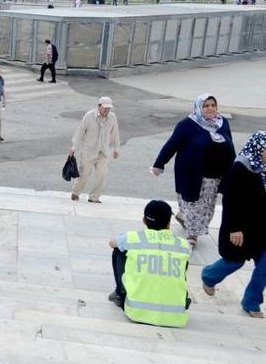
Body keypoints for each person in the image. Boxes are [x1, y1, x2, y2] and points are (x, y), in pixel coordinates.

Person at [151, 94, 235, 247]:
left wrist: (233, 171)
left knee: (207, 208)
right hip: (191, 174)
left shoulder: (223, 124)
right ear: (199, 107)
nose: (210, 108)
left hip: (214, 176)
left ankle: (185, 220)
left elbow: (230, 147)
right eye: (206, 105)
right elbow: (172, 144)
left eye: (212, 105)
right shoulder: (188, 124)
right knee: (192, 204)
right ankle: (192, 235)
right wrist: (159, 164)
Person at [201, 131, 266, 318]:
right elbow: (231, 202)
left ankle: (251, 302)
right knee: (234, 262)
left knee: (264, 266)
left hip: (262, 228)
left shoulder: (264, 168)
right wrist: (235, 229)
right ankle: (208, 276)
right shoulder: (240, 168)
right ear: (258, 147)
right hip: (241, 228)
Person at [108, 200, 191, 328]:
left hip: (136, 312)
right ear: (169, 223)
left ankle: (120, 294)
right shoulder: (183, 245)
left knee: (119, 250)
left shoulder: (133, 238)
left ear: (144, 221)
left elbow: (112, 243)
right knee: (180, 260)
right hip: (174, 316)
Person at [70, 97, 120, 203]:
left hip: (103, 151)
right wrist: (74, 146)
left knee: (101, 175)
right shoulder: (89, 116)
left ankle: (94, 197)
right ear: (99, 106)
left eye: (109, 108)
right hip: (88, 151)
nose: (107, 110)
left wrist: (116, 148)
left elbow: (115, 133)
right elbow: (80, 131)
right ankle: (75, 193)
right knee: (84, 174)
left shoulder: (112, 117)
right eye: (105, 108)